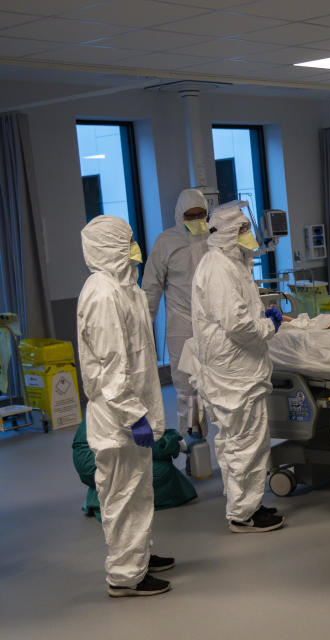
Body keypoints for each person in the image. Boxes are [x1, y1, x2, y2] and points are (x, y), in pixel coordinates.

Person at [76, 215, 175, 597]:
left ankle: (139, 557)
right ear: (111, 246)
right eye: (128, 241)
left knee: (138, 491)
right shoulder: (102, 293)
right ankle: (124, 576)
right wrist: (134, 416)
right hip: (118, 418)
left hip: (132, 410)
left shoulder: (125, 287)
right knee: (120, 497)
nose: (134, 247)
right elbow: (111, 367)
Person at [190, 202, 285, 533]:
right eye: (243, 230)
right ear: (229, 233)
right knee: (246, 440)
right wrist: (269, 326)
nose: (249, 235)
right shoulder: (219, 268)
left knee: (236, 441)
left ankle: (242, 505)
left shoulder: (231, 263)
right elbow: (238, 325)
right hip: (235, 372)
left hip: (234, 369)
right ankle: (245, 513)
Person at [142, 188, 209, 437]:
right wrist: (144, 325)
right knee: (186, 386)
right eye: (190, 216)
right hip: (181, 322)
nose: (196, 220)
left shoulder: (215, 239)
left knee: (220, 381)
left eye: (200, 214)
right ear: (179, 215)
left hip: (214, 322)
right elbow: (151, 286)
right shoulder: (166, 242)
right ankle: (194, 442)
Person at [73, 419, 197, 520]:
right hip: (100, 460)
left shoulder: (108, 395)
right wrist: (178, 444)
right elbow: (144, 444)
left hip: (92, 456)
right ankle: (100, 501)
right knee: (163, 472)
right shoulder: (129, 400)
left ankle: (103, 492)